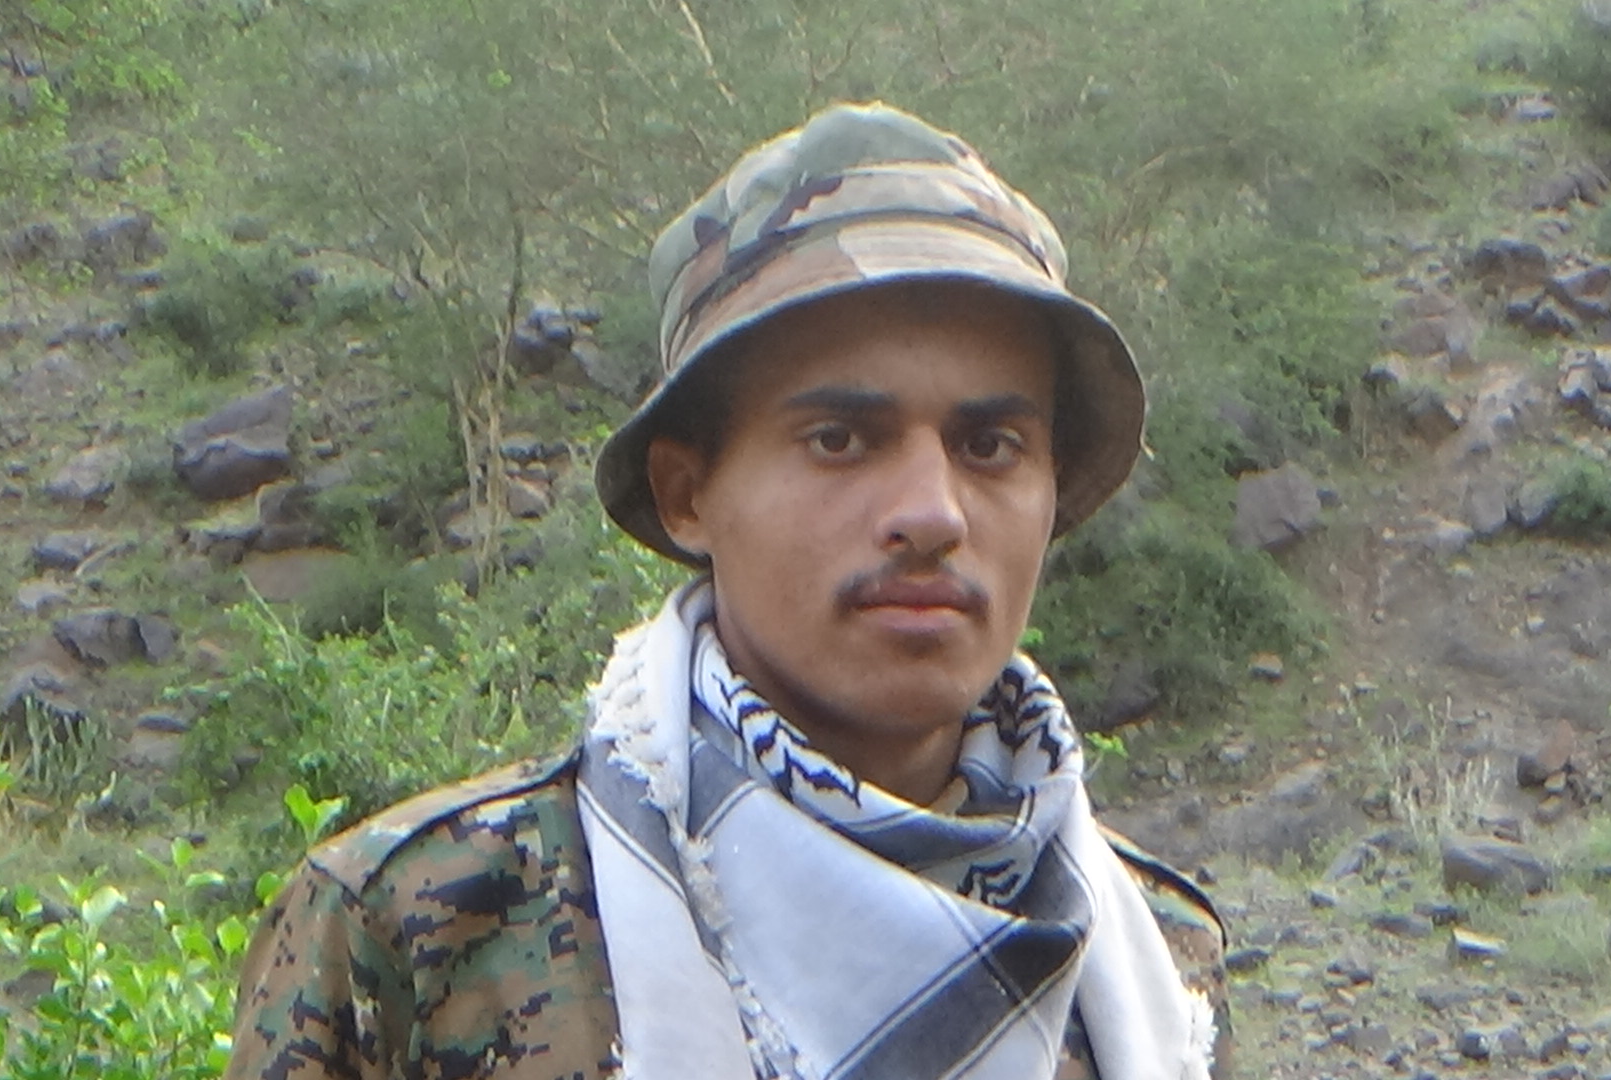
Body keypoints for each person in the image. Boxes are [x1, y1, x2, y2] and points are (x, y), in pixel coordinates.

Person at [226, 101, 1231, 1080]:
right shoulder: (421, 930)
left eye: (991, 445)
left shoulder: (1155, 962)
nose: (932, 513)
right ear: (688, 493)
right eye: (839, 439)